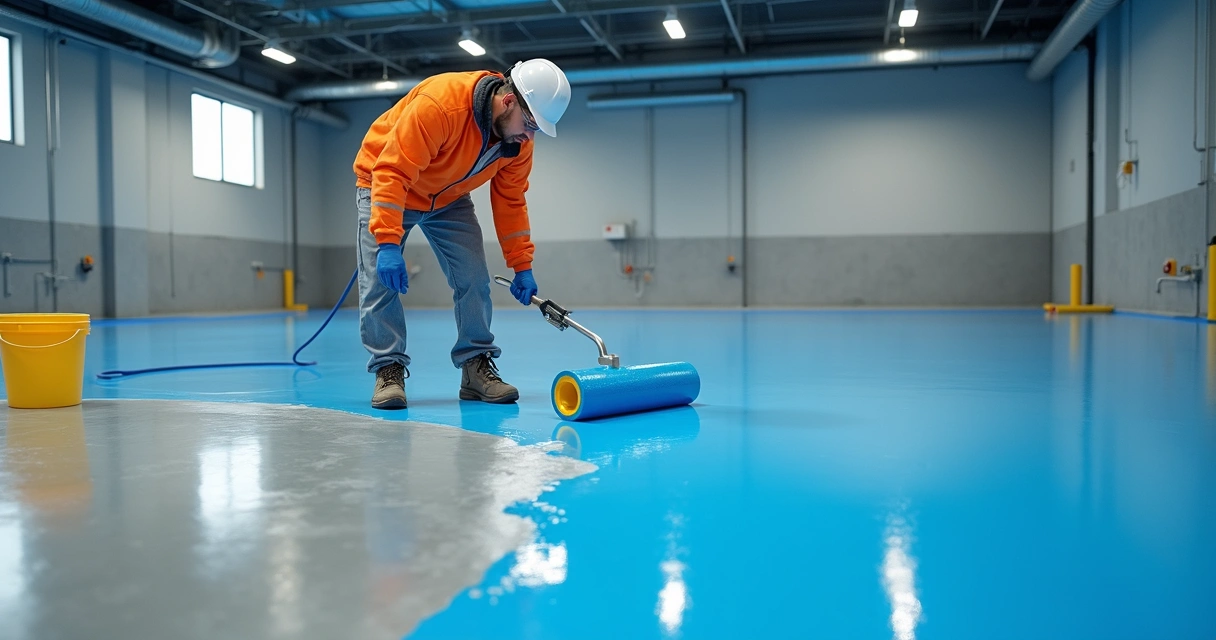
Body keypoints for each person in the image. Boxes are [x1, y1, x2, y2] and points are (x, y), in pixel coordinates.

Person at [352, 59, 571, 409]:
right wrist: (389, 243)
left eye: (538, 130)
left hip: (448, 198)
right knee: (379, 282)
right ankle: (387, 370)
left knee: (474, 278)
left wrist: (522, 265)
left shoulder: (517, 143)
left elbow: (511, 201)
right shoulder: (441, 105)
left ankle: (475, 366)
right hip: (388, 183)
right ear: (509, 100)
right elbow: (392, 171)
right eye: (530, 124)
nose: (530, 136)